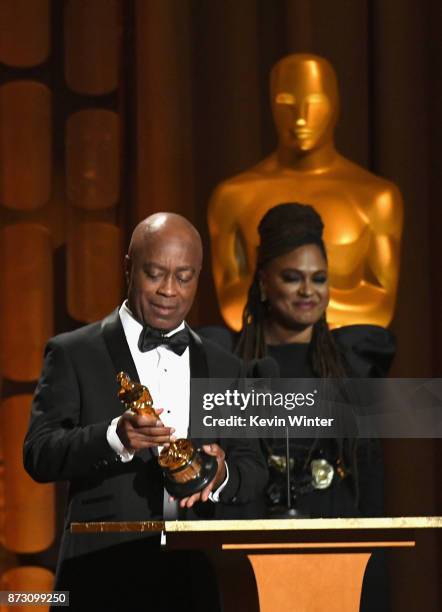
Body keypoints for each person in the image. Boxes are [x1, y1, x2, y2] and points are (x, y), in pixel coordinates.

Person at [24, 212, 268, 612]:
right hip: (99, 576)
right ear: (128, 267)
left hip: (195, 576)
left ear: (198, 277)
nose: (168, 291)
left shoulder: (226, 368)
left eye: (184, 277)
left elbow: (252, 468)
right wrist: (113, 436)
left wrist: (220, 474)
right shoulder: (73, 352)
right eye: (154, 274)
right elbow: (39, 453)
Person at [201, 202, 395, 611]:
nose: (309, 291)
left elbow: (370, 488)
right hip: (246, 552)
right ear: (263, 283)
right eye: (292, 278)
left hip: (335, 553)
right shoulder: (225, 360)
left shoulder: (352, 364)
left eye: (319, 278)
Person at [208, 53, 403, 332]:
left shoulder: (376, 197)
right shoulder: (234, 196)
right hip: (267, 364)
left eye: (314, 104)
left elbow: (382, 305)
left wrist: (289, 303)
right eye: (287, 105)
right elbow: (231, 303)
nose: (300, 118)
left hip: (347, 364)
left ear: (335, 104)